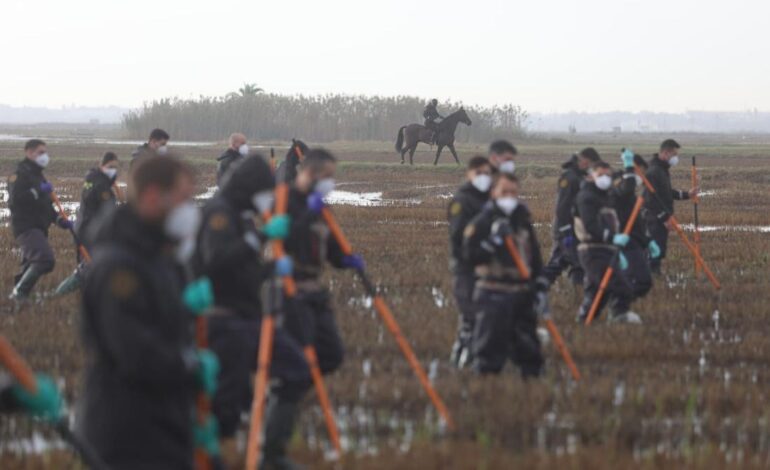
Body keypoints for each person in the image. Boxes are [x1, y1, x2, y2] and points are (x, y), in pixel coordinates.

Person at [78, 155, 220, 469]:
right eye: (184, 199)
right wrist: (188, 365)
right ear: (154, 197)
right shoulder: (119, 267)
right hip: (127, 431)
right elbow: (135, 351)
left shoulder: (161, 256)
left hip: (163, 421)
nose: (190, 210)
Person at [192, 154, 310, 468]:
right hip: (224, 321)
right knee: (225, 410)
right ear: (249, 187)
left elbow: (242, 268)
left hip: (248, 317)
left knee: (297, 370)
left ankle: (271, 456)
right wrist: (261, 236)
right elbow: (218, 260)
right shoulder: (219, 213)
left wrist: (270, 268)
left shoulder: (242, 215)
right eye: (264, 190)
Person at [278, 148, 364, 466]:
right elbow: (280, 240)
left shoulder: (321, 208)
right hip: (289, 293)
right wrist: (303, 214)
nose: (330, 183)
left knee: (331, 355)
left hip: (315, 292)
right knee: (296, 368)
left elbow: (330, 252)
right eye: (327, 177)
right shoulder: (283, 200)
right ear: (311, 174)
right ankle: (273, 449)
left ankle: (290, 394)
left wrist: (346, 260)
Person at [462, 173, 547, 377]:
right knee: (489, 351)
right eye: (504, 192)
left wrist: (541, 284)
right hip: (492, 293)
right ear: (494, 193)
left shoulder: (522, 220)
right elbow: (470, 256)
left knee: (529, 350)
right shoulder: (481, 222)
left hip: (521, 293)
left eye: (513, 192)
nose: (509, 196)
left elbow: (534, 255)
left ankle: (533, 393)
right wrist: (493, 241)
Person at [8, 139, 72, 302]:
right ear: (29, 152)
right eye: (40, 152)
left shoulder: (39, 175)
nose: (44, 156)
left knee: (29, 265)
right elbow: (16, 200)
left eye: (45, 152)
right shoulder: (19, 175)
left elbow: (46, 206)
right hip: (26, 227)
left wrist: (58, 220)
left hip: (39, 227)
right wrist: (38, 190)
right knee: (44, 259)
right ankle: (18, 293)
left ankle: (18, 303)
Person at [574, 160, 638, 324]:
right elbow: (590, 226)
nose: (604, 178)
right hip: (592, 250)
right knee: (620, 285)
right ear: (590, 176)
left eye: (607, 175)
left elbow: (627, 190)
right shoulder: (586, 197)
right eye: (600, 174)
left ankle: (584, 321)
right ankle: (618, 316)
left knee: (597, 293)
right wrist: (612, 238)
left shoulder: (607, 196)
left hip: (607, 249)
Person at [53, 152, 122, 296]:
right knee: (88, 268)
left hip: (85, 230)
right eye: (110, 167)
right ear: (102, 166)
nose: (113, 170)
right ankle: (57, 295)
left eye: (115, 168)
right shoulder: (101, 186)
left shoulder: (93, 180)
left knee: (91, 269)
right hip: (90, 233)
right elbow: (109, 211)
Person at [447, 156, 493, 368]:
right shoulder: (461, 200)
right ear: (470, 174)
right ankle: (461, 360)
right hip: (466, 267)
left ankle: (477, 357)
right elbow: (458, 238)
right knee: (471, 317)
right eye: (479, 173)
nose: (483, 177)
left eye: (487, 173)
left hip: (488, 266)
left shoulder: (490, 199)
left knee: (484, 317)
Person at [543, 148, 601, 287]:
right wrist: (566, 231)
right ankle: (539, 288)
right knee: (575, 263)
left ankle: (543, 287)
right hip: (566, 230)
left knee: (562, 262)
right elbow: (562, 207)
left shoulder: (579, 176)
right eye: (592, 164)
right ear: (585, 161)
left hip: (575, 229)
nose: (591, 168)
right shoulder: (569, 178)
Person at [643, 139, 697, 274]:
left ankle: (655, 275)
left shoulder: (662, 169)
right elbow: (651, 200)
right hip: (654, 219)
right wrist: (664, 218)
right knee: (654, 250)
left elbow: (666, 192)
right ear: (665, 153)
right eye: (674, 154)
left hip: (660, 218)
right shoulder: (654, 171)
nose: (675, 158)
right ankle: (651, 277)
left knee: (659, 249)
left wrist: (686, 194)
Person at [610, 150, 659, 299]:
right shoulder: (619, 186)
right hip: (624, 240)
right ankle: (619, 307)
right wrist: (629, 168)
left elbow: (636, 222)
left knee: (642, 281)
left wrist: (647, 240)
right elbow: (627, 187)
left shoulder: (631, 194)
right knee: (629, 278)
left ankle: (622, 305)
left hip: (635, 240)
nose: (641, 177)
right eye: (640, 172)